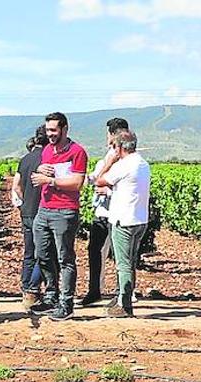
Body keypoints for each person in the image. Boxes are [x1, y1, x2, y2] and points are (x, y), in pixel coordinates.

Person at [30, 112, 89, 322]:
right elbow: (42, 175)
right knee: (43, 254)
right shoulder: (47, 150)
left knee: (65, 258)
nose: (50, 134)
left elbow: (77, 182)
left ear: (65, 129)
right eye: (48, 130)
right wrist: (39, 170)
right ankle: (51, 295)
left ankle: (67, 302)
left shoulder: (77, 152)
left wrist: (51, 180)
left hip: (65, 211)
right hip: (44, 209)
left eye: (54, 130)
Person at [93, 128, 149, 318]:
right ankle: (121, 299)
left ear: (118, 148)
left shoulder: (123, 165)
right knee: (130, 262)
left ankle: (124, 304)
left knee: (123, 264)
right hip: (140, 219)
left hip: (123, 219)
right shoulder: (143, 163)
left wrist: (109, 162)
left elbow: (99, 180)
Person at [81, 117, 129, 307]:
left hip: (117, 214)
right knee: (95, 250)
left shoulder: (124, 160)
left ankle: (122, 293)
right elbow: (95, 178)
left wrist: (107, 189)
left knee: (120, 255)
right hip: (101, 212)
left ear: (112, 134)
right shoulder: (106, 158)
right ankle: (95, 290)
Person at [11, 126, 48, 306]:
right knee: (45, 253)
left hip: (27, 211)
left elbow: (16, 186)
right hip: (42, 211)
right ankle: (33, 289)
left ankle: (26, 288)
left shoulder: (25, 159)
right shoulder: (48, 158)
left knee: (29, 253)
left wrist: (26, 200)